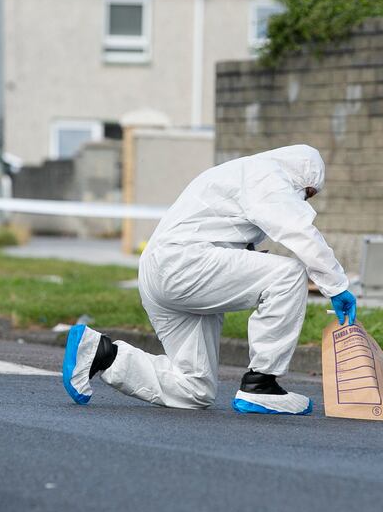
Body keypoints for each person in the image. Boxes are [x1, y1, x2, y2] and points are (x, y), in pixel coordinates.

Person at [61, 144, 357, 416]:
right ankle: (262, 383)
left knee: (194, 389)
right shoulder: (268, 177)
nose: (307, 199)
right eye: (309, 192)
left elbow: (219, 230)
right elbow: (300, 232)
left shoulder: (236, 173)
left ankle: (100, 353)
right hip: (186, 265)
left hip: (163, 271)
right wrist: (337, 285)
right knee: (289, 275)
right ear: (302, 176)